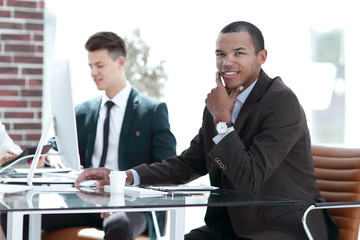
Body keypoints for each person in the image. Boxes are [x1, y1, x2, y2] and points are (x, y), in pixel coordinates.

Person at [76, 21, 339, 240]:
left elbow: (249, 179)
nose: (227, 62)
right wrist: (124, 176)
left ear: (262, 57)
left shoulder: (281, 102)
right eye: (220, 54)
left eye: (239, 53)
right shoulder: (219, 101)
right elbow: (188, 164)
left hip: (283, 228)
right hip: (228, 227)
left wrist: (223, 120)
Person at [42, 31, 177, 240]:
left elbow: (166, 168)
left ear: (120, 62)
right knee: (21, 216)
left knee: (118, 225)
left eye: (100, 65)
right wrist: (51, 153)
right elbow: (57, 143)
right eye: (90, 66)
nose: (93, 72)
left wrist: (125, 195)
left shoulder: (152, 111)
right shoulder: (83, 111)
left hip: (131, 204)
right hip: (85, 201)